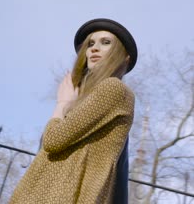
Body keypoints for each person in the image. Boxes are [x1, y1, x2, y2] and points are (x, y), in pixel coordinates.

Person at [9, 18, 137, 204]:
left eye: (106, 42)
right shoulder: (89, 100)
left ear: (125, 58)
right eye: (90, 44)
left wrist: (62, 103)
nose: (94, 48)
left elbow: (52, 141)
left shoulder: (114, 89)